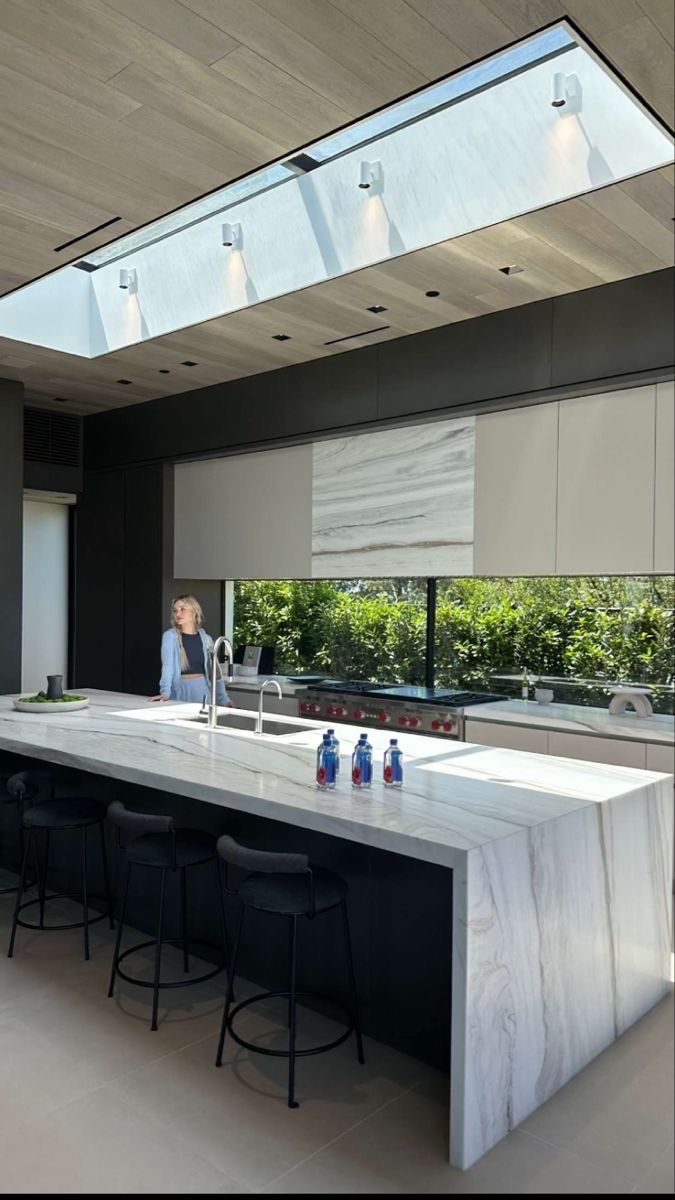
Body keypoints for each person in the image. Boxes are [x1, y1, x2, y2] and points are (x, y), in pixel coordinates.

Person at [149, 594, 232, 705]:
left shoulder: (206, 639)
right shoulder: (170, 637)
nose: (178, 614)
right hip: (180, 691)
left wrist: (224, 699)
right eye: (175, 611)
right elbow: (167, 667)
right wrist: (165, 692)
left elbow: (215, 673)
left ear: (194, 611)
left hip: (202, 692)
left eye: (182, 609)